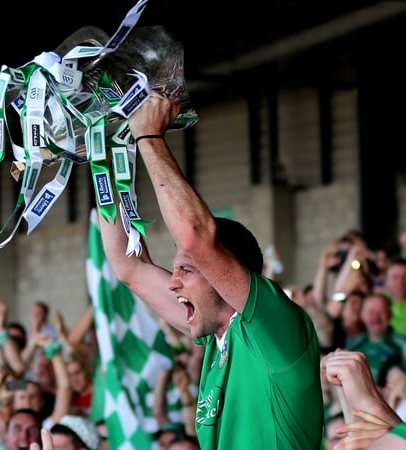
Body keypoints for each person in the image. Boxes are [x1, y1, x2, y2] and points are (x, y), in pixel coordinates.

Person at [97, 92, 323, 449]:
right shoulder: (216, 336)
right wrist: (101, 151)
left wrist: (149, 136)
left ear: (224, 270)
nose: (173, 283)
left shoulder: (273, 327)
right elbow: (130, 266)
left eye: (187, 270)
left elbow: (194, 236)